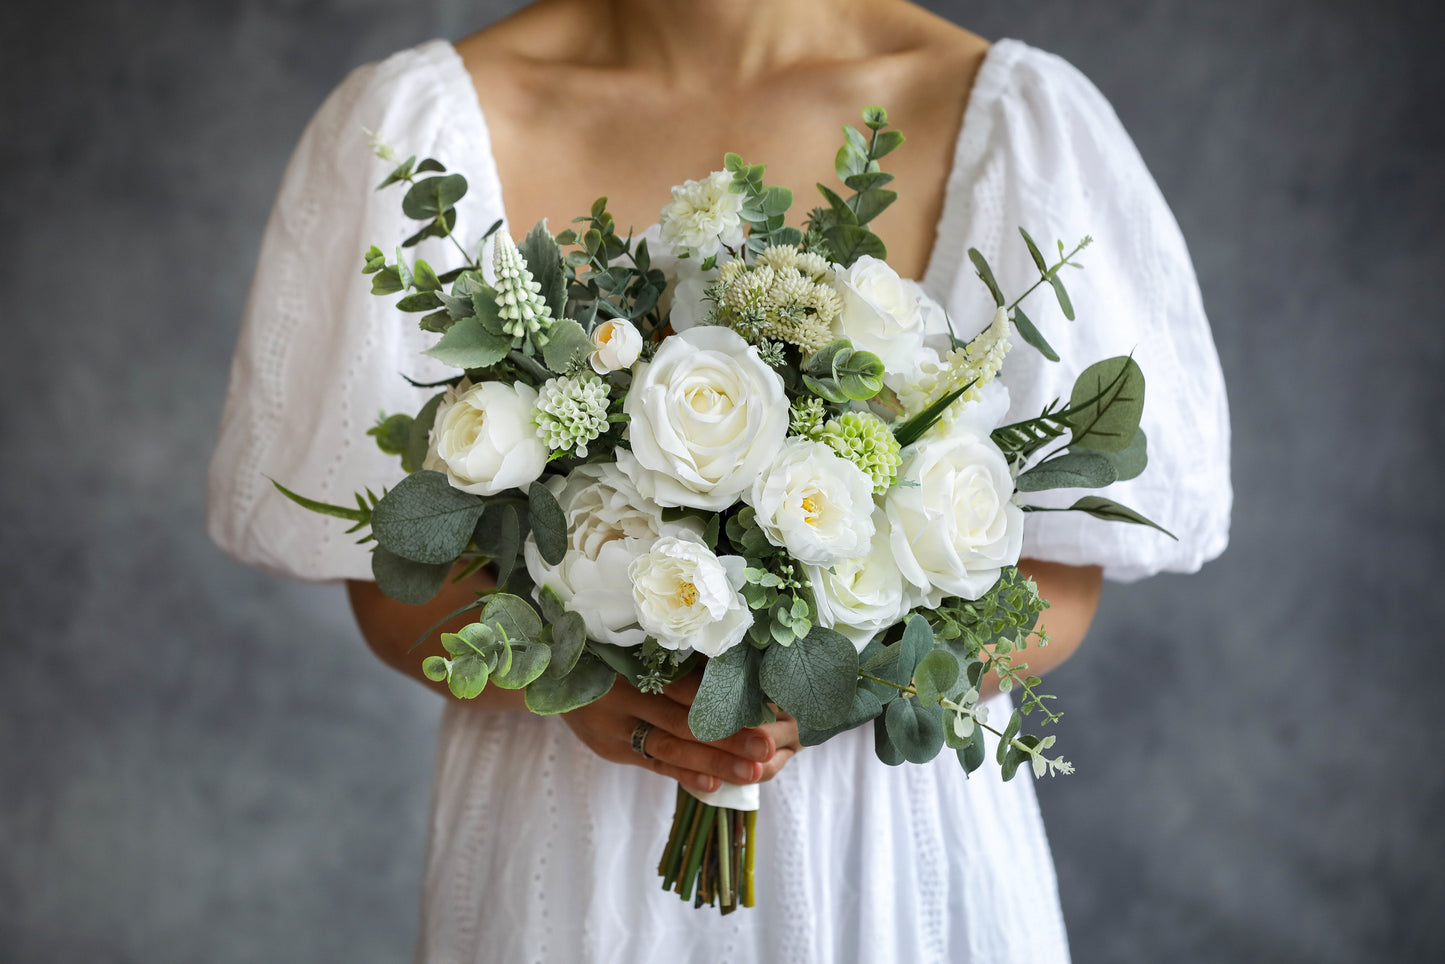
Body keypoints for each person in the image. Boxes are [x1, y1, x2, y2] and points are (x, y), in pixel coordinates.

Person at [207, 1, 1231, 960]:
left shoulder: (1013, 119)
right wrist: (557, 674)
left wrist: (846, 678)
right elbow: (392, 589)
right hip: (568, 852)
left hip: (885, 858)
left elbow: (1056, 579)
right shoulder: (418, 124)